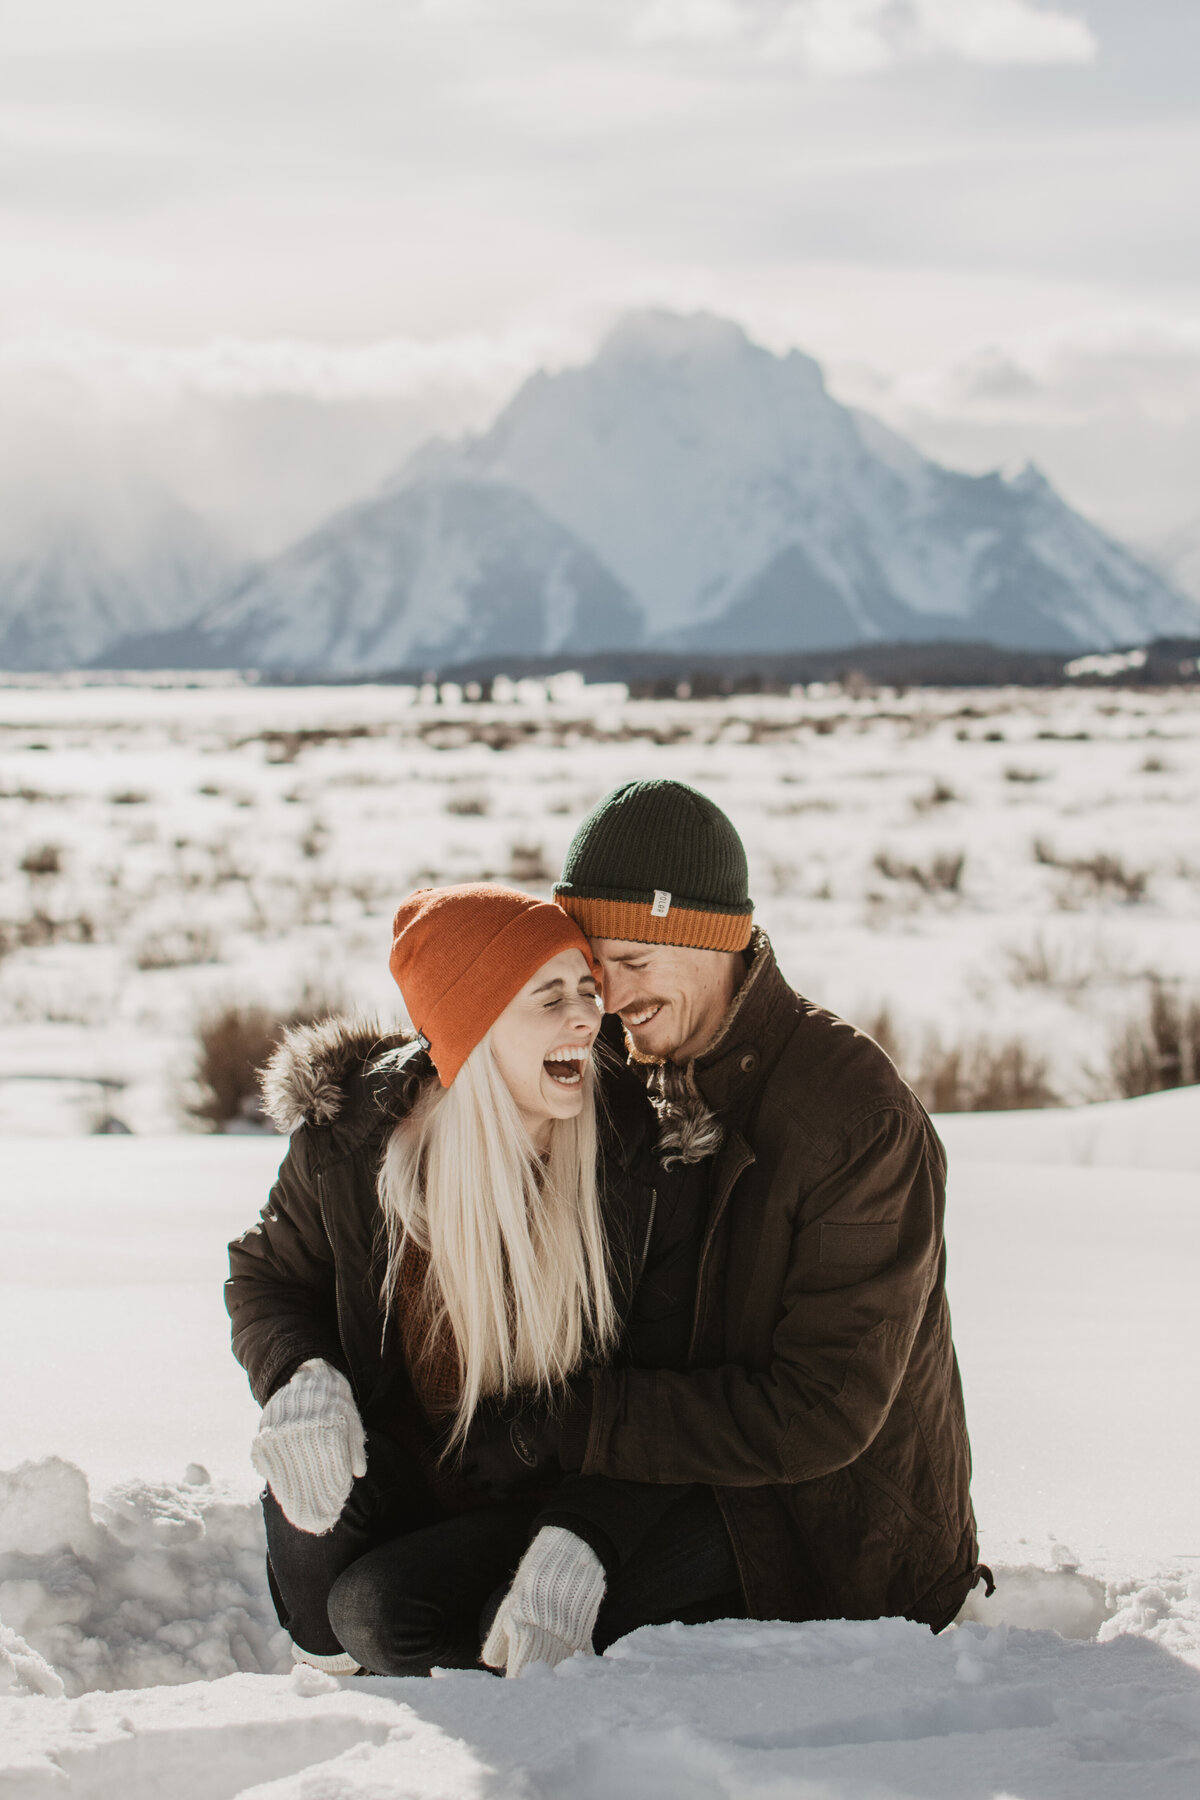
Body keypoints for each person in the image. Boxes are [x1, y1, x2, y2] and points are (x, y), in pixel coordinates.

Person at [226, 883, 743, 1680]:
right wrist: (301, 1376)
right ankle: (338, 1697)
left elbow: (660, 1390)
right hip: (418, 1469)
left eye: (586, 990)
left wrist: (584, 1539)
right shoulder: (354, 1143)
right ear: (475, 1029)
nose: (586, 1019)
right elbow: (268, 1274)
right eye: (549, 998)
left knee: (380, 1613)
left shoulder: (642, 1167)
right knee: (318, 1537)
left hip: (560, 1484)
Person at [509, 777, 990, 1633]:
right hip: (655, 1467)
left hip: (827, 1533)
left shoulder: (855, 1117)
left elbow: (822, 1412)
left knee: (463, 1624)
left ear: (714, 942)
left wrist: (569, 1426)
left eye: (635, 962)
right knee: (402, 1597)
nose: (609, 1000)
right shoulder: (620, 1067)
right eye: (592, 968)